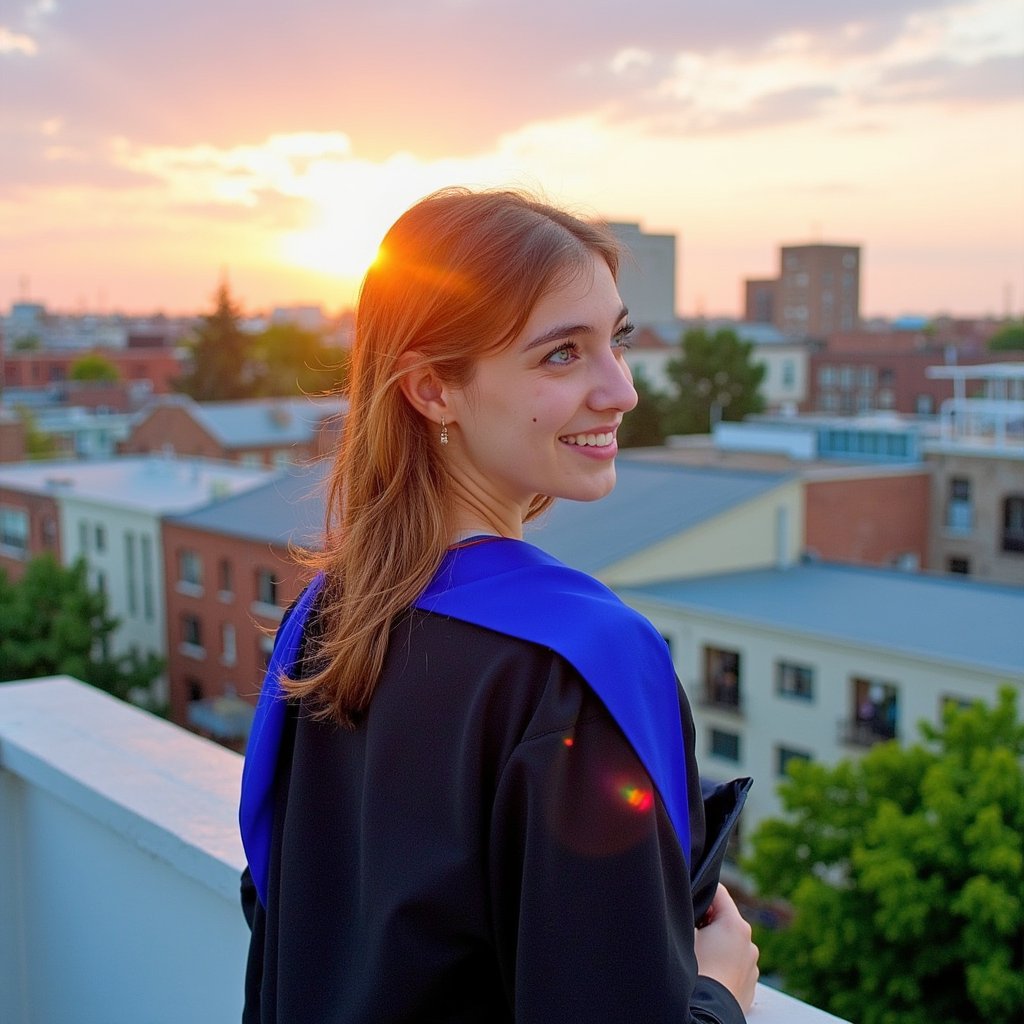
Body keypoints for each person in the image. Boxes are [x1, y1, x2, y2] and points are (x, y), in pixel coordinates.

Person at [239, 187, 759, 1023]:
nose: (621, 390)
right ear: (432, 390)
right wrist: (718, 993)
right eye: (562, 355)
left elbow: (291, 936)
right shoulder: (578, 662)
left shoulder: (327, 623)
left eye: (616, 341)